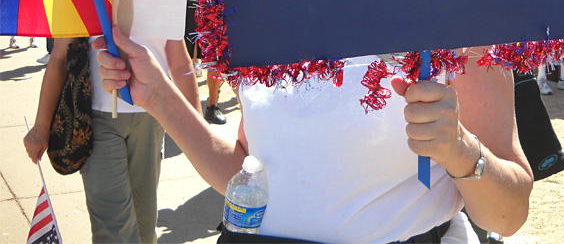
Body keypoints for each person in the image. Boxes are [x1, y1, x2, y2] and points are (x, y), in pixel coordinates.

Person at [94, 31, 534, 243]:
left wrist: (459, 149)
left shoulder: (458, 27)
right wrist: (158, 97)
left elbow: (508, 216)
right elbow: (245, 168)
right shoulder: (268, 16)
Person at [24, 35, 200, 243]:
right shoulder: (82, 0)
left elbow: (180, 60)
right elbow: (60, 56)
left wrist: (197, 129)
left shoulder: (169, 0)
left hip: (152, 117)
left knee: (145, 221)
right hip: (97, 118)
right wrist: (41, 126)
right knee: (113, 228)